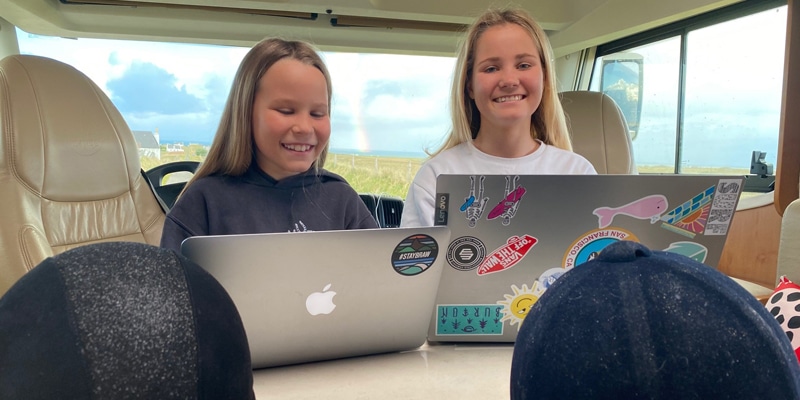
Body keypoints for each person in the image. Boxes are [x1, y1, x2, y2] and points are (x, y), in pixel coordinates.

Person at [161, 38, 378, 252]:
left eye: (317, 113)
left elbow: (381, 278)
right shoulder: (202, 202)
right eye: (286, 111)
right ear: (245, 113)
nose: (304, 127)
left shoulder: (341, 199)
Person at [400, 7, 596, 228]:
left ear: (545, 78)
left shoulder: (578, 173)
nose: (509, 80)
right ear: (470, 86)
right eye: (491, 68)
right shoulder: (435, 177)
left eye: (523, 65)